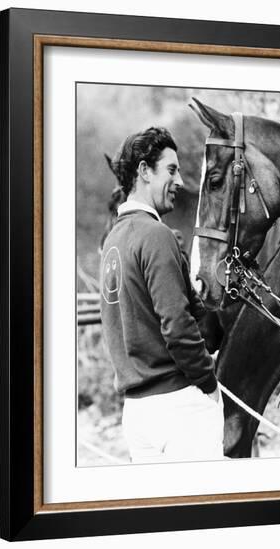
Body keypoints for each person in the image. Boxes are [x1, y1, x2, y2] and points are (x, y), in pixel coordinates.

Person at [100, 127, 224, 463]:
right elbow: (178, 326)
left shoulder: (113, 241)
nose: (181, 181)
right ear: (143, 171)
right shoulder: (156, 235)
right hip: (179, 409)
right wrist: (209, 382)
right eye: (171, 169)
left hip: (137, 415)